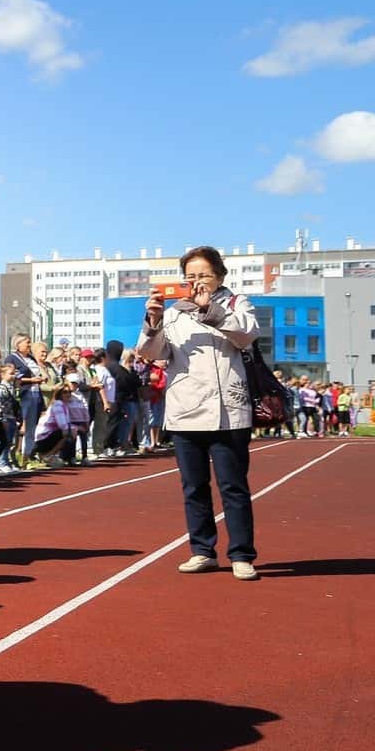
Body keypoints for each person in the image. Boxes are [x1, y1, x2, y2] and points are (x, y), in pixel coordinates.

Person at [138, 245, 261, 581]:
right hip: (184, 408)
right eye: (190, 276)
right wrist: (152, 322)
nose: (196, 282)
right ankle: (202, 550)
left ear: (219, 276)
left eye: (203, 275)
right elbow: (151, 353)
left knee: (232, 485)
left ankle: (241, 554)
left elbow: (246, 335)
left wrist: (211, 310)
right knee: (193, 485)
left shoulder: (236, 303)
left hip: (228, 410)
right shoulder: (174, 311)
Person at [6, 334, 44, 464]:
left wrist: (40, 379)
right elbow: (10, 377)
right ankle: (11, 456)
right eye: (27, 343)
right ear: (18, 344)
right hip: (22, 395)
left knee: (31, 427)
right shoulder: (12, 358)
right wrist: (31, 380)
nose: (29, 345)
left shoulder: (31, 358)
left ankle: (26, 459)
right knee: (17, 426)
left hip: (35, 393)